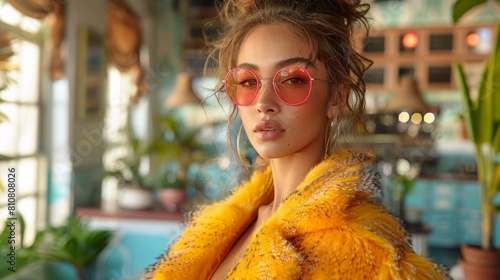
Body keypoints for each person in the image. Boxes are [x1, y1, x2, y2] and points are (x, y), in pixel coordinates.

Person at [143, 0, 449, 279]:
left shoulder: (366, 254)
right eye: (248, 81)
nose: (264, 101)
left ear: (337, 98)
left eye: (292, 80)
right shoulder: (217, 227)